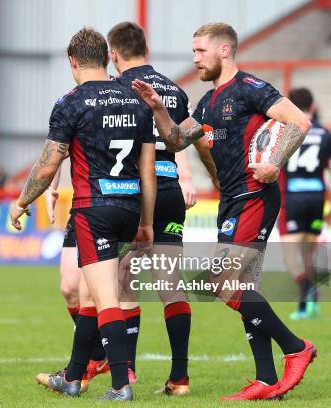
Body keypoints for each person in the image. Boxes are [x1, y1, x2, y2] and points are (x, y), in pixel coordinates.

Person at [132, 23, 316, 401]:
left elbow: (300, 121)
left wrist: (276, 161)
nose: (195, 58)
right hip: (232, 199)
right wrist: (158, 109)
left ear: (224, 51)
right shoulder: (207, 102)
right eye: (194, 51)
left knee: (222, 282)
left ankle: (296, 347)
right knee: (246, 289)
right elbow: (177, 140)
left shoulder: (250, 89)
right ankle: (266, 379)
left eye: (201, 51)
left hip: (255, 195)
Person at [9, 28, 155, 400]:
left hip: (94, 210)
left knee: (106, 297)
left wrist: (23, 201)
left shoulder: (71, 102)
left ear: (72, 61)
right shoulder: (135, 99)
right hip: (129, 205)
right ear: (106, 57)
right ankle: (73, 378)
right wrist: (146, 221)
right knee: (90, 295)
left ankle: (122, 384)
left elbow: (46, 167)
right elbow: (148, 168)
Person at [108, 21, 220, 396]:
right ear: (147, 50)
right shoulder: (172, 88)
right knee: (171, 287)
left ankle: (128, 372)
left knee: (123, 285)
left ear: (114, 54)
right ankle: (180, 378)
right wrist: (212, 179)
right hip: (170, 190)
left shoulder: (116, 89)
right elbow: (184, 139)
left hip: (133, 192)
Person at [278, 88, 331, 320]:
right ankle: (309, 304)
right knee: (307, 254)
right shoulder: (327, 135)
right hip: (316, 197)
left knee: (289, 254)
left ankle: (306, 290)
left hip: (292, 198)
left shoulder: (285, 133)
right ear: (313, 106)